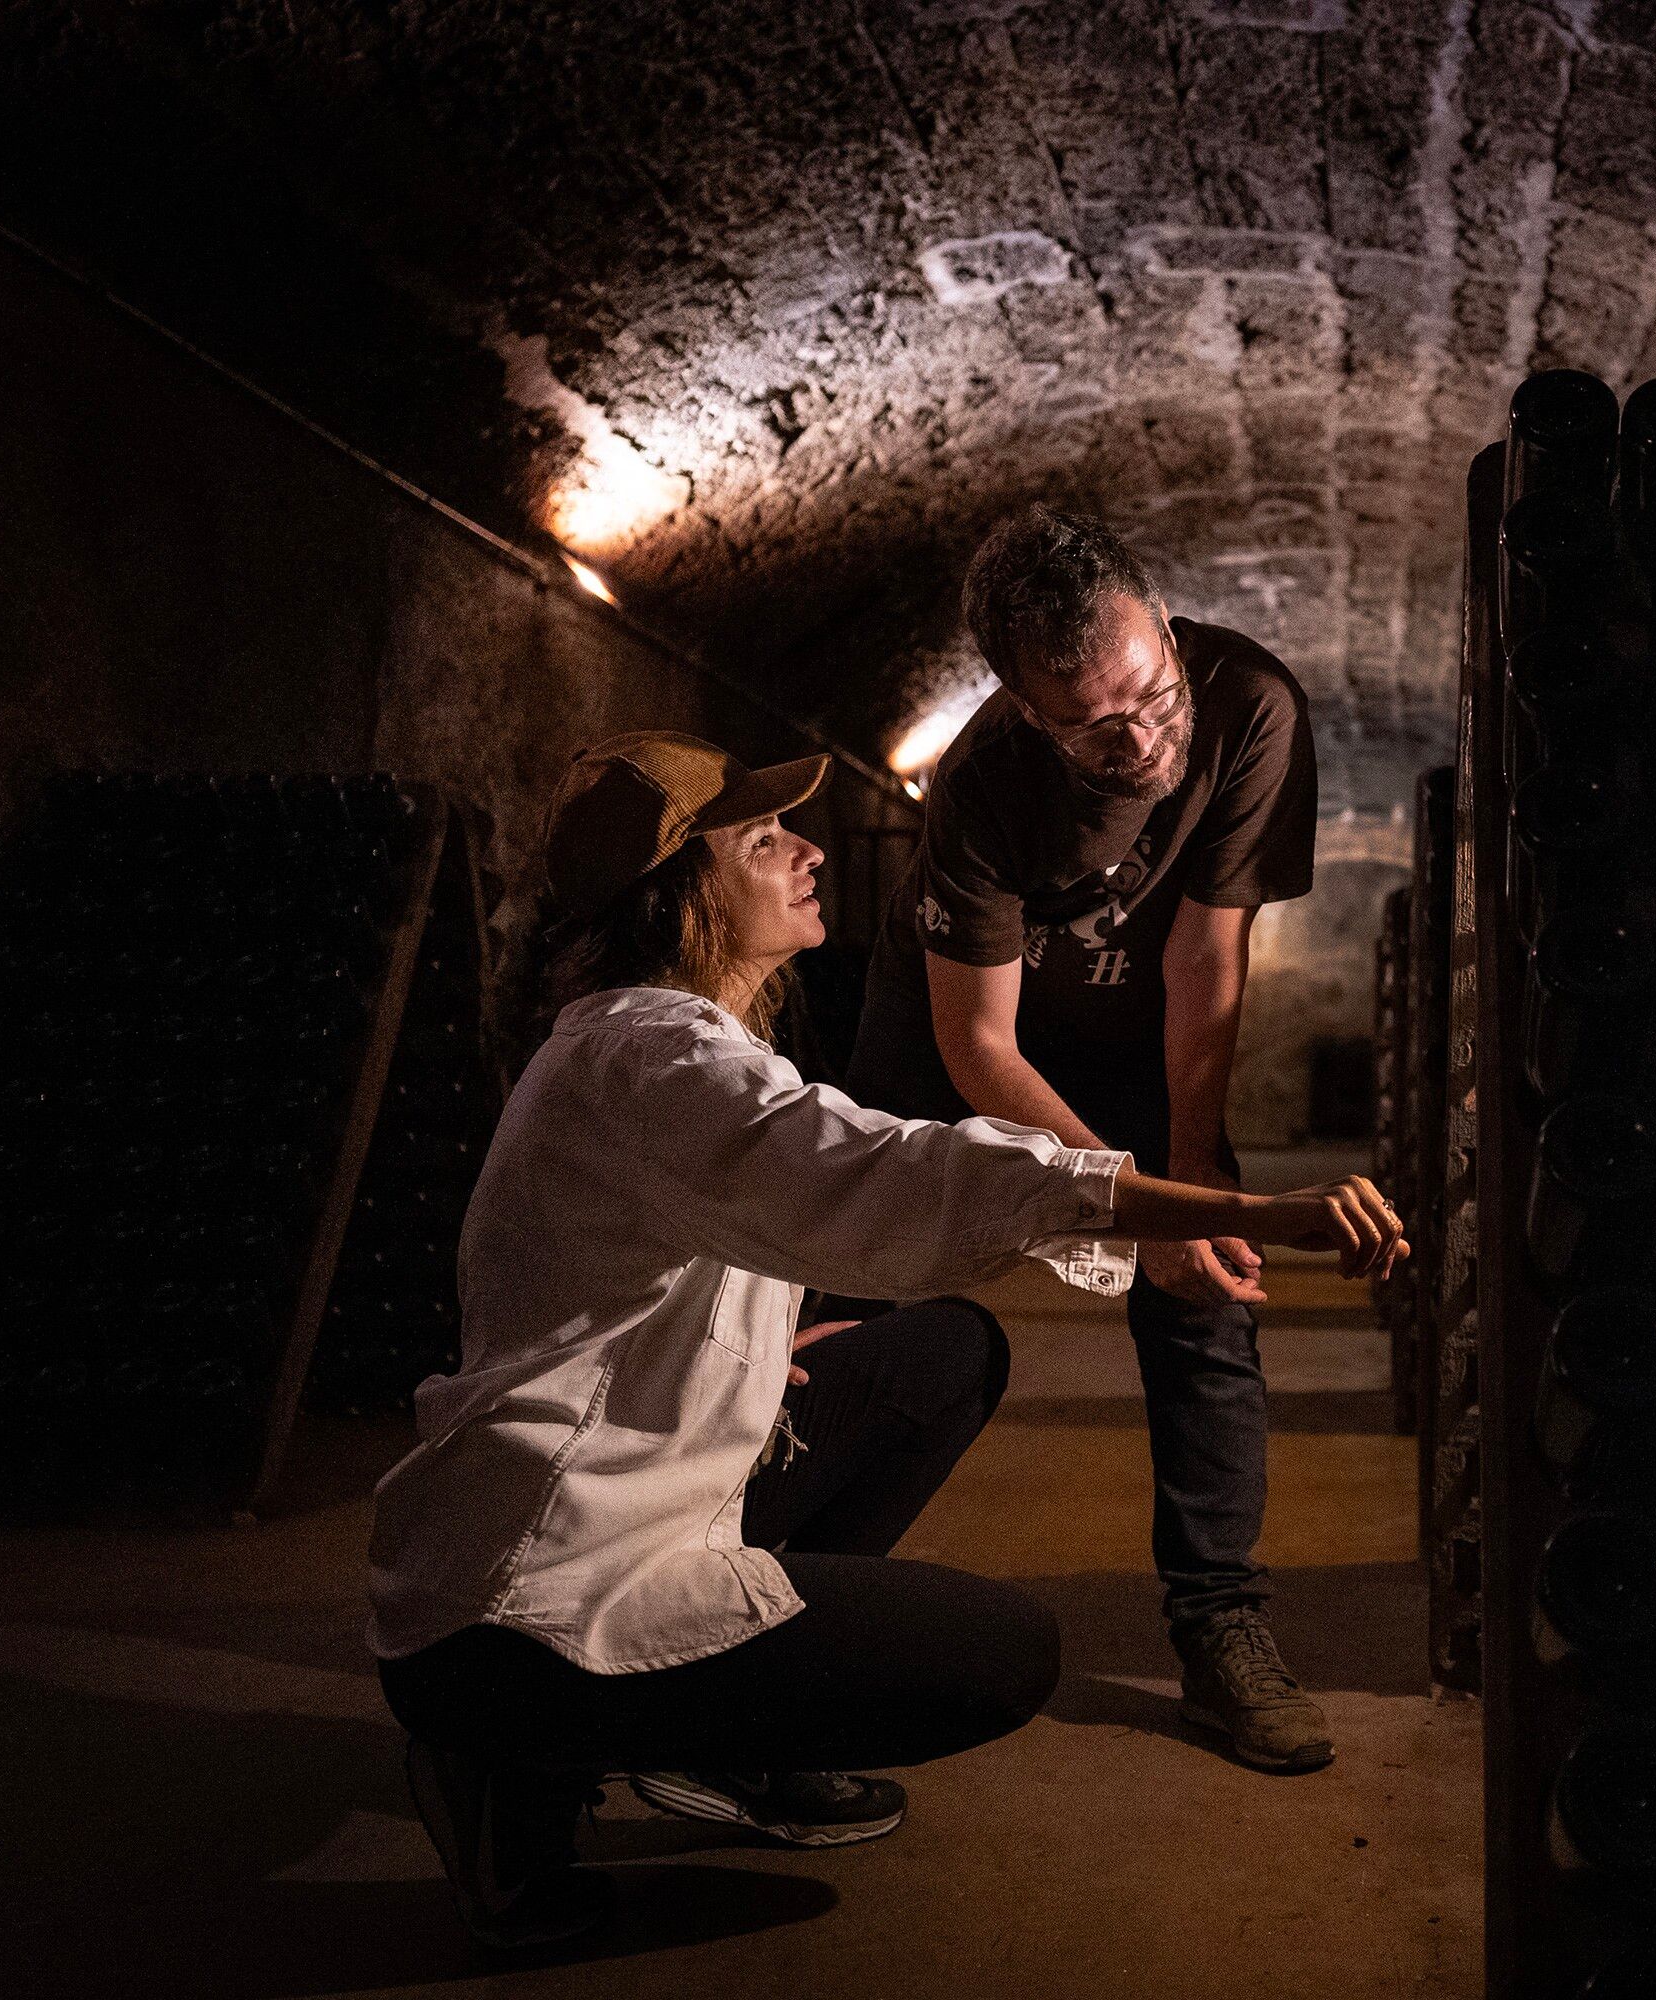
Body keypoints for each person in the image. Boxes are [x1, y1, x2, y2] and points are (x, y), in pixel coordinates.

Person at [366, 730, 1402, 1949]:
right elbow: (898, 1168)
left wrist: (745, 1346)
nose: (809, 849)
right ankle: (519, 1779)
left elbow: (673, 1252)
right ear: (679, 898)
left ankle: (719, 1741)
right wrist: (1239, 1207)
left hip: (604, 1502)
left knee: (939, 1355)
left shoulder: (649, 1045)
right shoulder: (658, 1054)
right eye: (762, 840)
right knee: (1000, 1653)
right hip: (530, 1592)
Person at [845, 506, 1340, 1771]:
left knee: (1208, 1280)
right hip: (963, 1029)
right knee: (851, 1278)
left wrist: (1184, 1193)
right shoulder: (978, 787)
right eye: (1096, 726)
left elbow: (1204, 946)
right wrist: (1117, 1204)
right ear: (1022, 705)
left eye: (1152, 693)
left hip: (1142, 1017)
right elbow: (982, 1050)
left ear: (1166, 633)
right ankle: (777, 1600)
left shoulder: (1250, 709)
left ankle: (1222, 1625)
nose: (1144, 738)